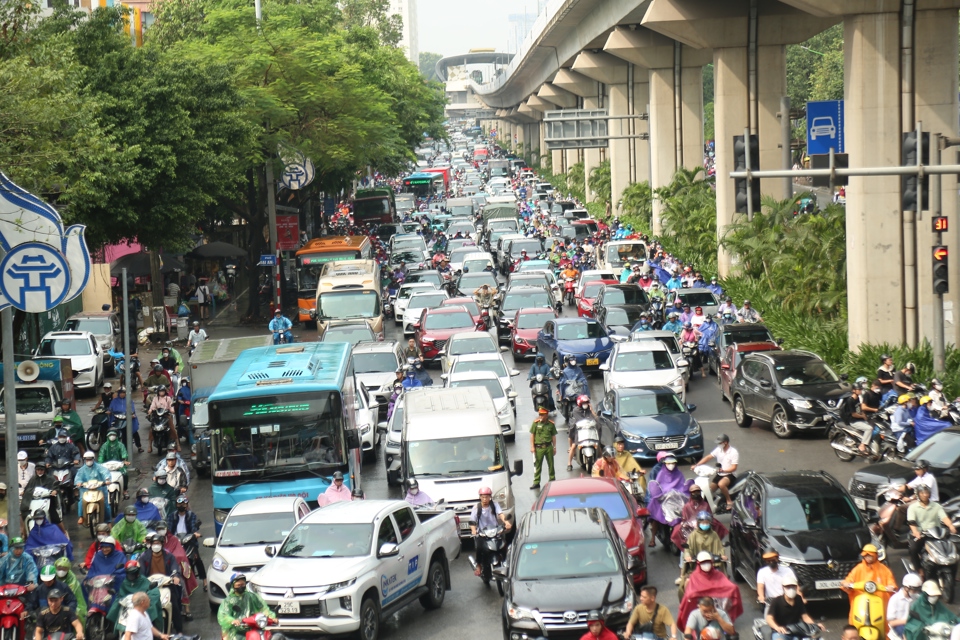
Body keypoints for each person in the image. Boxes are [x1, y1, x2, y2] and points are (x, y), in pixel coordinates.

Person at [841, 544, 897, 625]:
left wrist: (891, 587)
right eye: (865, 555)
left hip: (879, 604)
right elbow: (849, 579)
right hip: (861, 604)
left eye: (870, 555)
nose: (868, 557)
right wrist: (846, 584)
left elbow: (891, 582)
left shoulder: (884, 569)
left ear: (876, 556)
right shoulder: (858, 568)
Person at [137, 533, 183, 632]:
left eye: (158, 543)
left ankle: (179, 631)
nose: (156, 545)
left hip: (167, 584)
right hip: (150, 587)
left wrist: (175, 576)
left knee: (174, 605)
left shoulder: (168, 555)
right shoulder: (144, 556)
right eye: (154, 543)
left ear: (162, 544)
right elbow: (141, 572)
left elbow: (175, 567)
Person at [907, 484, 956, 575]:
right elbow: (911, 522)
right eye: (922, 493)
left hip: (936, 534)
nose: (925, 495)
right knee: (913, 549)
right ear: (918, 494)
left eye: (926, 492)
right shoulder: (913, 507)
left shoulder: (936, 506)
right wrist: (916, 532)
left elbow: (944, 517)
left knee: (952, 550)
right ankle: (919, 570)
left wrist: (950, 526)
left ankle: (953, 572)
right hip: (922, 534)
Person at [154, 521, 197, 619]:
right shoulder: (155, 541)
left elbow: (180, 554)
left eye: (162, 528)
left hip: (172, 568)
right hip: (158, 570)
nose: (161, 531)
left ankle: (187, 609)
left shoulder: (173, 539)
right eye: (159, 529)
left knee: (180, 584)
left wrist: (171, 561)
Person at [108, 561, 163, 632]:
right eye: (129, 573)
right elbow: (121, 594)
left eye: (133, 573)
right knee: (116, 608)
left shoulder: (144, 581)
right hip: (128, 607)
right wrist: (119, 599)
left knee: (152, 611)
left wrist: (147, 598)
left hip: (141, 606)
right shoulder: (125, 583)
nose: (131, 575)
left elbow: (153, 591)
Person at [765, 574, 823, 640]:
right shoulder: (776, 601)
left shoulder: (798, 599)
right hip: (781, 632)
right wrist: (777, 627)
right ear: (783, 587)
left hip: (797, 631)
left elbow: (805, 616)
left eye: (793, 586)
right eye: (788, 586)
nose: (791, 588)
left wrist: (814, 625)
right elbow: (769, 618)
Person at [168, 495, 206, 593]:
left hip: (189, 540)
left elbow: (194, 527)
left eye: (184, 504)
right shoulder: (172, 516)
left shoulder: (191, 515)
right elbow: (169, 529)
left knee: (197, 560)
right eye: (180, 504)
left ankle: (205, 581)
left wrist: (195, 534)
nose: (182, 505)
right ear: (176, 505)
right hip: (176, 542)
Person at [217, 573, 272, 640]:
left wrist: (271, 617)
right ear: (233, 586)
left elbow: (263, 608)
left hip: (253, 627)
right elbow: (223, 615)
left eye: (243, 584)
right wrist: (232, 621)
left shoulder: (251, 597)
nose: (241, 587)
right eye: (238, 585)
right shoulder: (228, 601)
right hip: (236, 631)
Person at [692, 434, 738, 511]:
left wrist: (724, 470)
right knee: (709, 490)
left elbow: (734, 467)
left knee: (721, 484)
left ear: (725, 442)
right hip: (720, 474)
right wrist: (697, 465)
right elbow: (708, 457)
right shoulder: (718, 449)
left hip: (730, 474)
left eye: (720, 443)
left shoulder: (733, 452)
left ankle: (729, 501)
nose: (719, 444)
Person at [20, 462, 63, 533]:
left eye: (41, 470)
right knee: (24, 513)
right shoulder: (32, 479)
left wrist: (54, 491)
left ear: (45, 470)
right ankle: (24, 533)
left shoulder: (50, 479)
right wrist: (24, 492)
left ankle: (63, 532)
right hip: (34, 502)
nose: (39, 471)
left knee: (55, 516)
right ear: (36, 470)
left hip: (47, 502)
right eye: (38, 470)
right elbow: (27, 489)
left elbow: (56, 487)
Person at [75, 450, 112, 525]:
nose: (88, 461)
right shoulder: (81, 470)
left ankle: (108, 521)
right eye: (87, 459)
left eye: (90, 459)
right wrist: (79, 483)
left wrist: (107, 479)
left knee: (105, 503)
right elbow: (78, 478)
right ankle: (81, 516)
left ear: (93, 459)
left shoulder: (99, 467)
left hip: (99, 489)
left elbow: (105, 473)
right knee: (81, 500)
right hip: (86, 489)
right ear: (84, 460)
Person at [888, 573, 923, 640]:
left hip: (915, 625)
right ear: (906, 588)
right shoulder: (895, 599)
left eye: (917, 590)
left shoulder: (917, 598)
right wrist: (908, 620)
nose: (915, 592)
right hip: (899, 627)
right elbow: (891, 623)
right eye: (914, 590)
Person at [529, 407, 557, 490]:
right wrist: (532, 446)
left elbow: (553, 436)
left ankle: (552, 480)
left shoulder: (551, 424)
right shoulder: (536, 423)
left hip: (548, 446)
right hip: (539, 448)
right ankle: (536, 482)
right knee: (538, 465)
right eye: (540, 414)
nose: (540, 416)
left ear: (546, 415)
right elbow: (532, 435)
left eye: (542, 415)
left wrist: (554, 447)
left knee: (551, 465)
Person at [98, 428, 131, 499]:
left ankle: (124, 490)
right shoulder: (104, 446)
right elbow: (101, 456)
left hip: (119, 466)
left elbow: (124, 454)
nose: (112, 436)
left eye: (113, 434)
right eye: (110, 435)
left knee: (125, 474)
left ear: (116, 436)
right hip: (107, 466)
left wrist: (124, 461)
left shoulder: (120, 445)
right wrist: (100, 463)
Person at [53, 556, 86, 625]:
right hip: (53, 600)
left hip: (72, 602)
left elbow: (70, 596)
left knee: (77, 616)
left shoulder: (72, 580)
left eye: (64, 569)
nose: (61, 571)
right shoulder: (52, 576)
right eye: (59, 568)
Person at [567, 396, 596, 471]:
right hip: (579, 430)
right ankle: (569, 463)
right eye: (584, 403)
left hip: (589, 430)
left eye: (586, 403)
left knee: (598, 445)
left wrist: (592, 410)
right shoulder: (576, 411)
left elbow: (595, 418)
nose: (585, 404)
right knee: (573, 446)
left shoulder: (589, 410)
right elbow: (581, 421)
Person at [109, 388, 142, 453]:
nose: (122, 394)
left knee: (134, 431)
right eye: (121, 393)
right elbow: (110, 408)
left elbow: (132, 409)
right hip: (117, 419)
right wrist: (109, 411)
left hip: (127, 418)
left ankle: (139, 446)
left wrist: (131, 414)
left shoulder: (129, 401)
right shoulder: (114, 401)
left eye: (123, 393)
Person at [148, 386, 179, 453]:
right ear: (158, 392)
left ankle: (178, 444)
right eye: (160, 391)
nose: (161, 393)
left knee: (172, 428)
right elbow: (152, 406)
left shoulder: (168, 398)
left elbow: (171, 406)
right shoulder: (155, 398)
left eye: (163, 391)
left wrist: (172, 410)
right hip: (156, 416)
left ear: (165, 392)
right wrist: (150, 411)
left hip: (166, 415)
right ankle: (149, 446)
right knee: (151, 429)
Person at [558, 355, 588, 420]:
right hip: (568, 390)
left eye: (574, 360)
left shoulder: (579, 369)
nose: (573, 362)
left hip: (577, 389)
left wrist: (582, 381)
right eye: (571, 360)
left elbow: (582, 377)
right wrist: (565, 382)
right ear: (569, 361)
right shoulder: (565, 371)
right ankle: (562, 400)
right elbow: (562, 380)